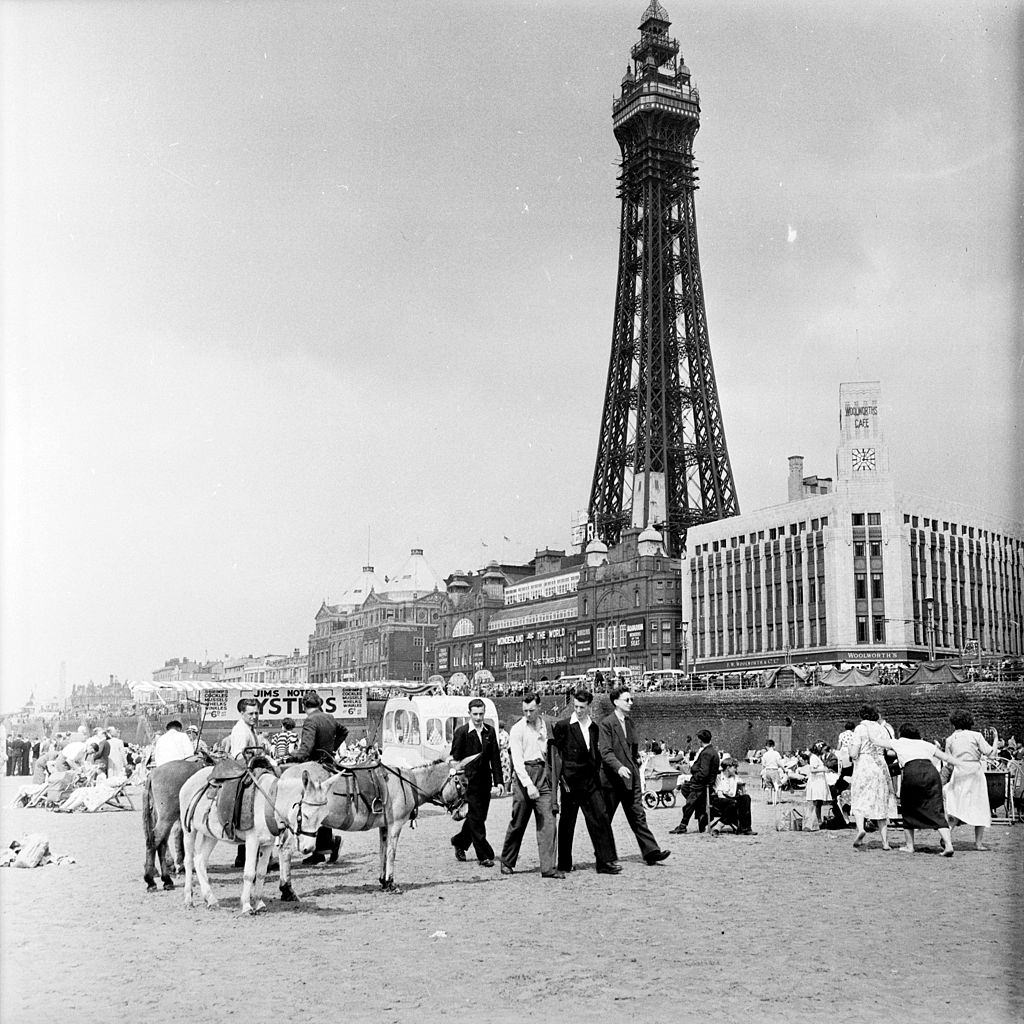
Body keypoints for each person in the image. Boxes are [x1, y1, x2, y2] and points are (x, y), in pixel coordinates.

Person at [598, 686, 670, 865]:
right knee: (605, 819)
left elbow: (632, 748)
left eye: (631, 699)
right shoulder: (606, 724)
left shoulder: (630, 723)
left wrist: (636, 760)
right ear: (616, 702)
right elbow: (606, 752)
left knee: (638, 815)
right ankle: (604, 857)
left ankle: (651, 852)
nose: (631, 702)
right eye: (627, 700)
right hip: (612, 780)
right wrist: (619, 767)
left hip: (631, 778)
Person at [551, 690, 620, 874]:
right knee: (567, 823)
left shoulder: (594, 728)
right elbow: (557, 756)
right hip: (570, 783)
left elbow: (595, 756)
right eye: (576, 706)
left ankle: (605, 862)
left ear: (589, 706)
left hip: (590, 782)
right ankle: (564, 863)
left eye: (582, 707)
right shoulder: (563, 726)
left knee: (601, 818)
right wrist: (561, 780)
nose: (578, 710)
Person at [875, 723, 963, 855]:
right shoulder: (925, 744)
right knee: (936, 809)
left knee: (908, 809)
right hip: (931, 773)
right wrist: (965, 764)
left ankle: (909, 846)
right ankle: (948, 845)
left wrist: (866, 725)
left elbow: (876, 741)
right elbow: (946, 758)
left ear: (902, 733)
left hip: (912, 772)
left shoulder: (900, 742)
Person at [499, 693, 562, 878]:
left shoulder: (547, 726)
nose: (528, 714)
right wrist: (528, 785)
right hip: (524, 775)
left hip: (543, 774)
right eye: (525, 711)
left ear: (539, 707)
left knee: (549, 821)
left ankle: (548, 868)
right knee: (518, 822)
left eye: (531, 710)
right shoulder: (517, 729)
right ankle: (507, 861)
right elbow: (517, 761)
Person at [287, 693, 347, 865]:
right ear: (320, 704)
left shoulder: (311, 720)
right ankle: (325, 847)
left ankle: (322, 849)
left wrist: (290, 757)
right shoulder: (329, 717)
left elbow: (306, 749)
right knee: (321, 806)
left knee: (311, 808)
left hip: (314, 767)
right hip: (328, 766)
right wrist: (332, 750)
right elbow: (344, 731)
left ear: (303, 706)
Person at [449, 697, 504, 867]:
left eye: (481, 714)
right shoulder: (462, 733)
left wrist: (499, 781)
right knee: (476, 818)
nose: (478, 718)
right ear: (469, 714)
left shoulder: (490, 731)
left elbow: (495, 758)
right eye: (475, 714)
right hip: (468, 783)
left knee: (479, 817)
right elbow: (455, 759)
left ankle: (459, 841)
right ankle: (484, 854)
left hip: (485, 782)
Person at [943, 711, 997, 851]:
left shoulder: (950, 739)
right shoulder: (976, 736)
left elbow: (948, 763)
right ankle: (978, 843)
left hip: (959, 771)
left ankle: (946, 837)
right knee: (980, 806)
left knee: (956, 806)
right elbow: (991, 754)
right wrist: (996, 739)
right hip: (974, 772)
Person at [849, 704, 897, 850]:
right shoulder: (882, 728)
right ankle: (885, 842)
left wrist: (852, 753)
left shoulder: (860, 728)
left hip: (864, 764)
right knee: (880, 801)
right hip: (880, 765)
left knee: (859, 798)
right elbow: (889, 749)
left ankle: (860, 829)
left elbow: (853, 753)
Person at [670, 729, 720, 834]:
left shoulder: (706, 753)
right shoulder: (712, 751)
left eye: (698, 740)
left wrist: (694, 774)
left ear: (700, 740)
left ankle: (683, 825)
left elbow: (704, 773)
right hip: (705, 783)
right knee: (685, 788)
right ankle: (700, 812)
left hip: (701, 784)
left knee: (690, 801)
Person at [710, 757, 755, 834]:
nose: (736, 769)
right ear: (728, 768)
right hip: (720, 799)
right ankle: (719, 826)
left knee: (746, 798)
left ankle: (746, 828)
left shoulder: (735, 777)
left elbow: (742, 787)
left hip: (731, 799)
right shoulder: (719, 777)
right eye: (734, 767)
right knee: (733, 803)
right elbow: (720, 793)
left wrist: (741, 792)